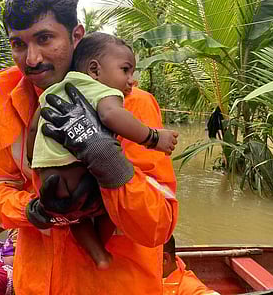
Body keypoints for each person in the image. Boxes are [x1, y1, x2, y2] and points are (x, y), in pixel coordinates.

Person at [0, 0, 178, 294]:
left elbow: (158, 225)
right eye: (18, 44)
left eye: (45, 39)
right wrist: (34, 210)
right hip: (37, 285)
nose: (31, 59)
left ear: (76, 35)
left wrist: (109, 162)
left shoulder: (129, 104)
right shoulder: (7, 104)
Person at [27, 32, 179, 269]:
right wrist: (153, 137)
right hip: (78, 187)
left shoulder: (53, 92)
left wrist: (35, 175)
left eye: (45, 39)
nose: (132, 80)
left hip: (50, 182)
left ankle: (98, 254)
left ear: (73, 35)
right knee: (100, 209)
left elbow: (34, 128)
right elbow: (110, 115)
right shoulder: (107, 93)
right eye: (125, 70)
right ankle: (100, 254)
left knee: (78, 220)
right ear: (95, 70)